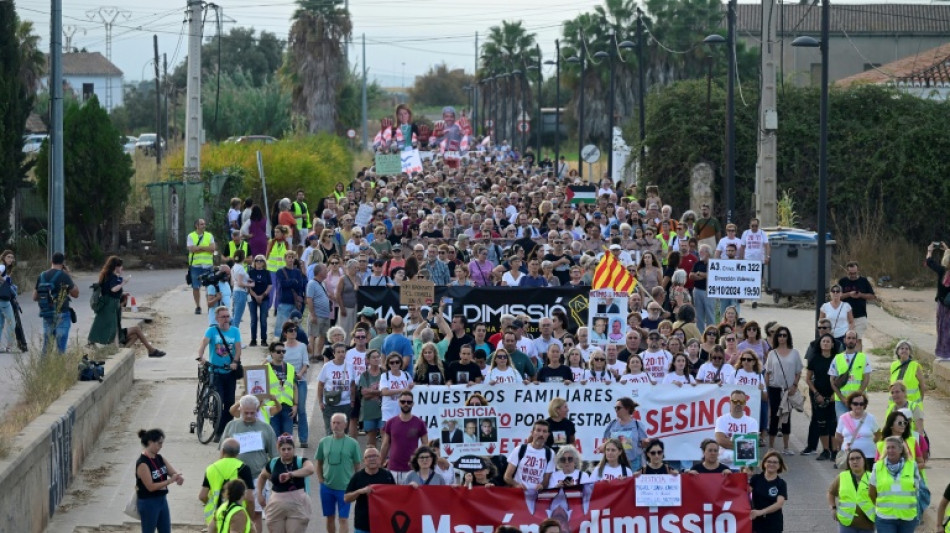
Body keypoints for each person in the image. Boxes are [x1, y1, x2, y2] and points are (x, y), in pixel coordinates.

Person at [219, 396, 278, 533]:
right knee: (232, 513)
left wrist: (269, 475)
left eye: (253, 413)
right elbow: (222, 452)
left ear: (257, 411)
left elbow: (274, 456)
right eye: (246, 413)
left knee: (256, 513)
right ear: (240, 410)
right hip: (234, 478)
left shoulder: (266, 428)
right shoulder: (231, 426)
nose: (249, 416)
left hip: (257, 477)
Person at [87, 256, 164, 357]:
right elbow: (113, 290)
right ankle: (149, 350)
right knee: (136, 330)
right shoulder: (112, 278)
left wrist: (122, 294)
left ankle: (127, 352)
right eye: (121, 266)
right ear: (116, 267)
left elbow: (112, 293)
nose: (122, 268)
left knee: (136, 334)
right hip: (114, 327)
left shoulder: (108, 277)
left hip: (115, 326)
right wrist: (124, 283)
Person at [197, 306, 243, 441]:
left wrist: (235, 361)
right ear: (217, 319)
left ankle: (224, 430)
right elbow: (203, 344)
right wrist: (201, 357)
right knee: (219, 400)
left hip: (230, 372)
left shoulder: (235, 331)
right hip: (215, 371)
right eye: (223, 317)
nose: (226, 319)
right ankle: (217, 431)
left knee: (229, 403)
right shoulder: (212, 331)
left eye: (228, 316)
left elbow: (238, 349)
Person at [257, 433, 315, 533]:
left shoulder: (300, 461)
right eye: (283, 449)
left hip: (297, 505)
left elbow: (310, 469)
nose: (286, 452)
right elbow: (262, 477)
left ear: (294, 449)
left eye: (289, 449)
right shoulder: (273, 463)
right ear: (279, 450)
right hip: (276, 505)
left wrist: (291, 474)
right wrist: (259, 494)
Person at [316, 413, 362, 533]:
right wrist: (320, 479)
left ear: (345, 425)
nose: (336, 425)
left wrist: (356, 484)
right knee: (330, 517)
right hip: (327, 487)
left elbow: (358, 466)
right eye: (333, 423)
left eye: (339, 423)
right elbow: (319, 462)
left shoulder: (353, 443)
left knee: (343, 519)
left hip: (345, 488)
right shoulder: (324, 442)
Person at [198, 438, 255, 529]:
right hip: (236, 515)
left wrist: (211, 503)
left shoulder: (211, 468)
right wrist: (250, 518)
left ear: (223, 451)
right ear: (238, 453)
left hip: (215, 517)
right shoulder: (243, 468)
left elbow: (202, 496)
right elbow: (250, 498)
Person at [868, 436, 921, 533]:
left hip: (907, 517)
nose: (890, 450)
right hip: (885, 517)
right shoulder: (878, 466)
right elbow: (871, 492)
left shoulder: (912, 465)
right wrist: (881, 505)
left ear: (901, 449)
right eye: (888, 448)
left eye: (893, 447)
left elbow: (916, 489)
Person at [135, 428, 183, 533]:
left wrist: (178, 477)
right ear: (150, 442)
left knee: (166, 530)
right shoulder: (143, 463)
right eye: (159, 443)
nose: (161, 446)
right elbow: (150, 487)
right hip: (148, 501)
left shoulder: (159, 458)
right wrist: (170, 481)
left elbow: (172, 472)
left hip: (161, 500)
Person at [764, 327, 803, 454]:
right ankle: (771, 446)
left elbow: (798, 372)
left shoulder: (795, 353)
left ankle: (786, 447)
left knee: (786, 416)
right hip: (774, 388)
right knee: (774, 416)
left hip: (788, 389)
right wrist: (766, 389)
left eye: (784, 335)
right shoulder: (772, 353)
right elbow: (768, 373)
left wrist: (794, 386)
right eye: (779, 335)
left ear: (788, 337)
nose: (782, 338)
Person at [33, 252, 79, 354]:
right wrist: (69, 276)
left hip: (47, 314)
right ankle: (59, 367)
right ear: (63, 263)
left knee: (46, 347)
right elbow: (75, 294)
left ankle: (44, 368)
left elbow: (35, 297)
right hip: (62, 313)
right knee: (60, 348)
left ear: (51, 261)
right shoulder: (64, 276)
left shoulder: (42, 275)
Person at [380, 391, 428, 483]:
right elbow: (385, 445)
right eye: (403, 402)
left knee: (411, 497)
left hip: (413, 469)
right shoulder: (391, 422)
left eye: (409, 402)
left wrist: (419, 461)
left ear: (413, 404)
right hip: (393, 468)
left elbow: (425, 445)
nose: (406, 404)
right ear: (399, 402)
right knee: (394, 496)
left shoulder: (419, 423)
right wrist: (380, 462)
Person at [344, 447, 396, 533]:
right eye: (369, 456)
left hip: (382, 523)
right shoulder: (357, 477)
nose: (372, 459)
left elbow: (395, 496)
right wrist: (360, 491)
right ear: (364, 460)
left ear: (380, 459)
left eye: (375, 456)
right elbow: (346, 498)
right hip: (362, 525)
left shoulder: (387, 475)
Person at [804, 333, 838, 461]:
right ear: (820, 344)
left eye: (828, 341)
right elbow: (808, 379)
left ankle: (835, 451)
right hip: (819, 396)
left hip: (833, 396)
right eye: (823, 341)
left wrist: (836, 394)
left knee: (833, 424)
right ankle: (825, 450)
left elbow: (841, 379)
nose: (826, 343)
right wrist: (816, 394)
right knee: (822, 424)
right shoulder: (814, 359)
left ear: (832, 344)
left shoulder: (837, 359)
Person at [827, 448, 874, 532]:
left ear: (864, 460)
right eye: (851, 459)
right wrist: (833, 508)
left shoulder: (872, 477)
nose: (855, 461)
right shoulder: (842, 476)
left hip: (868, 523)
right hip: (846, 522)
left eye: (858, 458)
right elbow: (831, 493)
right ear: (848, 462)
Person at [830, 331, 872, 419]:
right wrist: (842, 398)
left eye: (853, 338)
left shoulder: (863, 357)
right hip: (841, 401)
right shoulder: (837, 358)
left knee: (857, 426)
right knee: (844, 428)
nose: (851, 340)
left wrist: (857, 396)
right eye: (849, 338)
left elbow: (866, 379)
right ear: (844, 340)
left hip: (858, 401)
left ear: (856, 341)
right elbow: (832, 381)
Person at [504, 420, 555, 490]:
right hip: (519, 496)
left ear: (548, 435)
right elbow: (507, 476)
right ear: (532, 433)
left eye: (544, 431)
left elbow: (547, 480)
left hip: (537, 497)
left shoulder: (550, 453)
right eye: (538, 430)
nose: (541, 434)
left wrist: (542, 486)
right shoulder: (520, 449)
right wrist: (516, 485)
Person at [834, 391, 878, 471]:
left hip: (868, 456)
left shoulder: (871, 418)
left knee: (867, 481)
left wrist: (868, 443)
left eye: (861, 404)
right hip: (850, 457)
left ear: (865, 405)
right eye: (855, 403)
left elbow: (878, 435)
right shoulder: (843, 418)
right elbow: (838, 436)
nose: (858, 406)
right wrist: (845, 445)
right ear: (850, 404)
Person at [601, 397, 648, 470]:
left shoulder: (637, 424)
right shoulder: (612, 424)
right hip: (616, 463)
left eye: (618, 408)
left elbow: (644, 443)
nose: (616, 410)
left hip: (634, 463)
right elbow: (606, 441)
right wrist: (603, 446)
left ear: (627, 409)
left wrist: (646, 442)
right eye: (615, 408)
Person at [265, 340, 299, 442]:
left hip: (287, 407)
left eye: (283, 351)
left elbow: (295, 387)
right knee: (274, 436)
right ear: (271, 353)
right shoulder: (264, 369)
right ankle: (276, 457)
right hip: (272, 407)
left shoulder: (290, 368)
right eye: (278, 351)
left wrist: (295, 405)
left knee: (287, 437)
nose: (281, 354)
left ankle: (286, 457)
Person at [715, 390, 760, 466]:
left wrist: (730, 439)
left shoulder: (752, 422)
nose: (738, 404)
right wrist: (744, 444)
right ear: (730, 402)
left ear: (745, 403)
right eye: (735, 401)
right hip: (724, 465)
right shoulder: (721, 420)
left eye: (741, 401)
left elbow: (752, 445)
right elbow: (720, 441)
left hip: (744, 466)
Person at [317, 342, 354, 436]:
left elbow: (353, 385)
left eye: (343, 352)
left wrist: (352, 400)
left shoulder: (350, 366)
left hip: (345, 404)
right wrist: (320, 402)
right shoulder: (327, 366)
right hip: (330, 404)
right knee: (330, 432)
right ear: (334, 353)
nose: (341, 354)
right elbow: (320, 385)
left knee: (344, 432)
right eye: (338, 352)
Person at [838, 261, 875, 351]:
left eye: (854, 273)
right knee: (846, 340)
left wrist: (861, 295)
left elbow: (872, 296)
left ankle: (858, 359)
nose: (852, 275)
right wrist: (849, 294)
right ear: (846, 272)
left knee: (857, 339)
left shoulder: (863, 281)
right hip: (845, 316)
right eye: (850, 273)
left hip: (860, 315)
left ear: (858, 271)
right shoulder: (842, 281)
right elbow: (837, 297)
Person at [749, 450, 788, 533]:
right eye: (769, 461)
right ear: (764, 463)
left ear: (779, 465)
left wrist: (761, 512)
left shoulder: (781, 483)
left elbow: (779, 504)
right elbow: (744, 491)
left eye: (775, 462)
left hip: (773, 523)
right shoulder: (755, 479)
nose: (771, 464)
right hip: (756, 522)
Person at [926, 241, 950, 359]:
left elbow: (929, 262)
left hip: (943, 304)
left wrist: (930, 250)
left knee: (943, 328)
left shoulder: (942, 271)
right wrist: (947, 250)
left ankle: (944, 353)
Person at [187, 219, 216, 315]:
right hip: (196, 265)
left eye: (204, 224)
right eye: (202, 224)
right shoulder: (191, 236)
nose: (204, 225)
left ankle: (210, 305)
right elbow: (192, 249)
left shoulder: (209, 235)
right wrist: (205, 248)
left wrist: (199, 247)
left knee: (210, 287)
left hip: (208, 265)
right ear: (196, 226)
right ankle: (198, 306)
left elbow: (212, 249)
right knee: (196, 287)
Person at [306, 263, 333, 361]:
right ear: (320, 272)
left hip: (325, 315)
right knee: (313, 335)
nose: (327, 272)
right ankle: (311, 355)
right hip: (317, 314)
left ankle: (318, 354)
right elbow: (309, 299)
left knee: (322, 335)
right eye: (325, 270)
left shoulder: (322, 283)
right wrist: (313, 314)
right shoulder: (312, 283)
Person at [358, 350, 384, 447]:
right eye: (373, 357)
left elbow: (386, 392)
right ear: (368, 360)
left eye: (378, 357)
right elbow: (365, 395)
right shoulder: (364, 375)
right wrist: (380, 392)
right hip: (369, 411)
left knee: (384, 436)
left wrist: (371, 391)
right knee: (371, 440)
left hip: (382, 410)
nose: (376, 359)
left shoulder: (384, 373)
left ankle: (384, 459)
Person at [247, 255, 273, 347]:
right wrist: (255, 296)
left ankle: (264, 339)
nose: (259, 262)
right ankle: (253, 339)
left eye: (261, 261)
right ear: (254, 262)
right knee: (253, 319)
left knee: (263, 319)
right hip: (252, 298)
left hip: (264, 298)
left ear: (264, 262)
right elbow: (248, 286)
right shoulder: (251, 272)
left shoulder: (267, 273)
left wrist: (263, 295)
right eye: (257, 260)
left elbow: (270, 285)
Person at [336, 259, 361, 340]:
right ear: (349, 268)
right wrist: (342, 308)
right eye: (355, 268)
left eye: (358, 268)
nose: (356, 270)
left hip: (356, 307)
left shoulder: (358, 278)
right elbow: (338, 294)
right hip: (346, 307)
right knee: (344, 327)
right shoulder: (343, 279)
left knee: (354, 328)